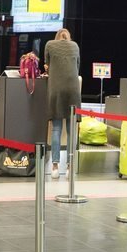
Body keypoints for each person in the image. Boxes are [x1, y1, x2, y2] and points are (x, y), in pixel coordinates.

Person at [44, 28, 80, 179]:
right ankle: (70, 167)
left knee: (56, 129)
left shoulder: (49, 45)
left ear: (57, 37)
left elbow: (47, 65)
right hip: (73, 90)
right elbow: (77, 67)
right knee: (71, 130)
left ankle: (55, 167)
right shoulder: (75, 46)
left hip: (56, 90)